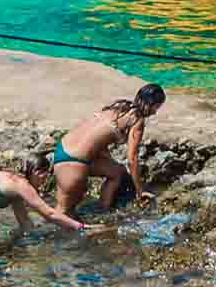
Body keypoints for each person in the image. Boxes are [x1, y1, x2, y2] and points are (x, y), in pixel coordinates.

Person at [50, 83, 166, 215]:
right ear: (151, 104)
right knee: (63, 214)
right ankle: (101, 215)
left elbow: (99, 140)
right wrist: (140, 190)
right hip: (74, 163)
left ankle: (103, 210)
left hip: (62, 150)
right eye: (157, 107)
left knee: (116, 172)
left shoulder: (119, 107)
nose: (155, 112)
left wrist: (110, 161)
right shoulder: (137, 121)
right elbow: (132, 158)